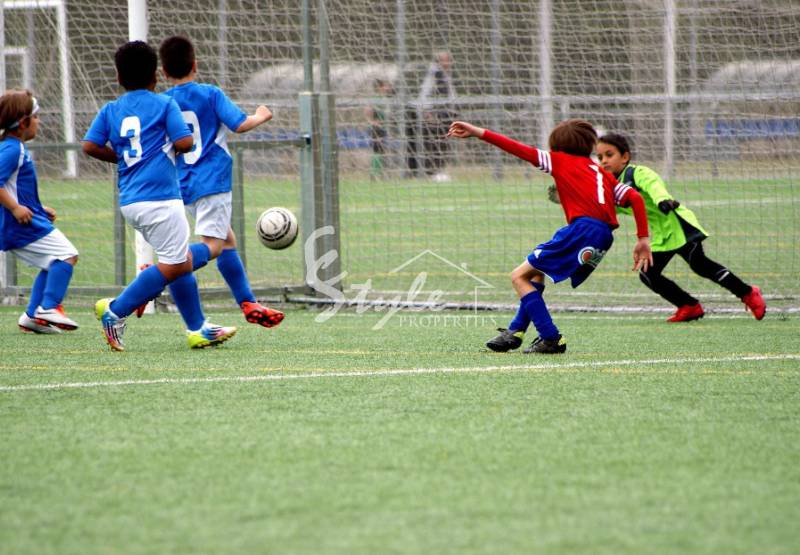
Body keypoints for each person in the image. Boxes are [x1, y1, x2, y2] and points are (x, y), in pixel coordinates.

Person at [448, 119, 653, 354]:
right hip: (603, 235)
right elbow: (635, 199)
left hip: (581, 229)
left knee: (518, 277)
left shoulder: (559, 160)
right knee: (536, 272)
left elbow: (516, 148)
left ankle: (551, 337)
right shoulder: (601, 173)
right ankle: (515, 331)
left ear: (557, 145)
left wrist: (477, 132)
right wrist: (642, 239)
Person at [82, 41, 237, 351]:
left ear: (117, 76)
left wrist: (123, 159)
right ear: (155, 75)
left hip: (130, 200)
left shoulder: (110, 109)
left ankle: (198, 328)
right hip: (161, 198)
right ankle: (116, 309)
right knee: (179, 264)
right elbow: (185, 141)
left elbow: (89, 145)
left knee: (176, 257)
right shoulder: (164, 105)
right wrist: (177, 146)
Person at [158, 35, 284, 329]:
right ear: (195, 65)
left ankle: (248, 302)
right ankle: (159, 273)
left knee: (227, 240)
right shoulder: (210, 94)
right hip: (212, 180)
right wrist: (261, 115)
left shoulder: (164, 103)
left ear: (163, 72)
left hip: (183, 185)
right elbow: (240, 124)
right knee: (213, 245)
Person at [596, 133, 766, 322]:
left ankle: (748, 293)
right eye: (600, 157)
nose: (604, 161)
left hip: (678, 223)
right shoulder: (613, 188)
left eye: (609, 155)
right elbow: (606, 209)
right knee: (648, 274)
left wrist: (662, 200)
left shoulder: (636, 173)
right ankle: (689, 305)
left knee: (699, 264)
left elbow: (654, 186)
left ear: (625, 157)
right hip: (662, 234)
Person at [0, 89, 80, 334]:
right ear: (23, 122)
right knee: (67, 254)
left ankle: (32, 317)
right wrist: (15, 208)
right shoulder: (13, 149)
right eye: (36, 117)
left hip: (27, 218)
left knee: (52, 261)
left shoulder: (14, 147)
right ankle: (47, 308)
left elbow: (14, 187)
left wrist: (37, 208)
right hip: (18, 224)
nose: (39, 122)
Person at [418, 51, 457, 181]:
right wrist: (427, 112)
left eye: (449, 60)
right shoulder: (434, 74)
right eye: (445, 60)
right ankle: (432, 172)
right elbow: (425, 92)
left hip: (446, 114)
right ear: (439, 62)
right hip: (436, 113)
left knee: (443, 142)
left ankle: (438, 171)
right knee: (435, 142)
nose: (448, 63)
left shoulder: (448, 75)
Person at [365, 78, 394, 179]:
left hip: (382, 128)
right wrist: (372, 122)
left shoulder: (385, 99)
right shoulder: (376, 99)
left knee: (380, 151)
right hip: (376, 129)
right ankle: (375, 173)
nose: (389, 87)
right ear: (380, 87)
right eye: (386, 85)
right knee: (378, 150)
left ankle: (377, 172)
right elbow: (368, 111)